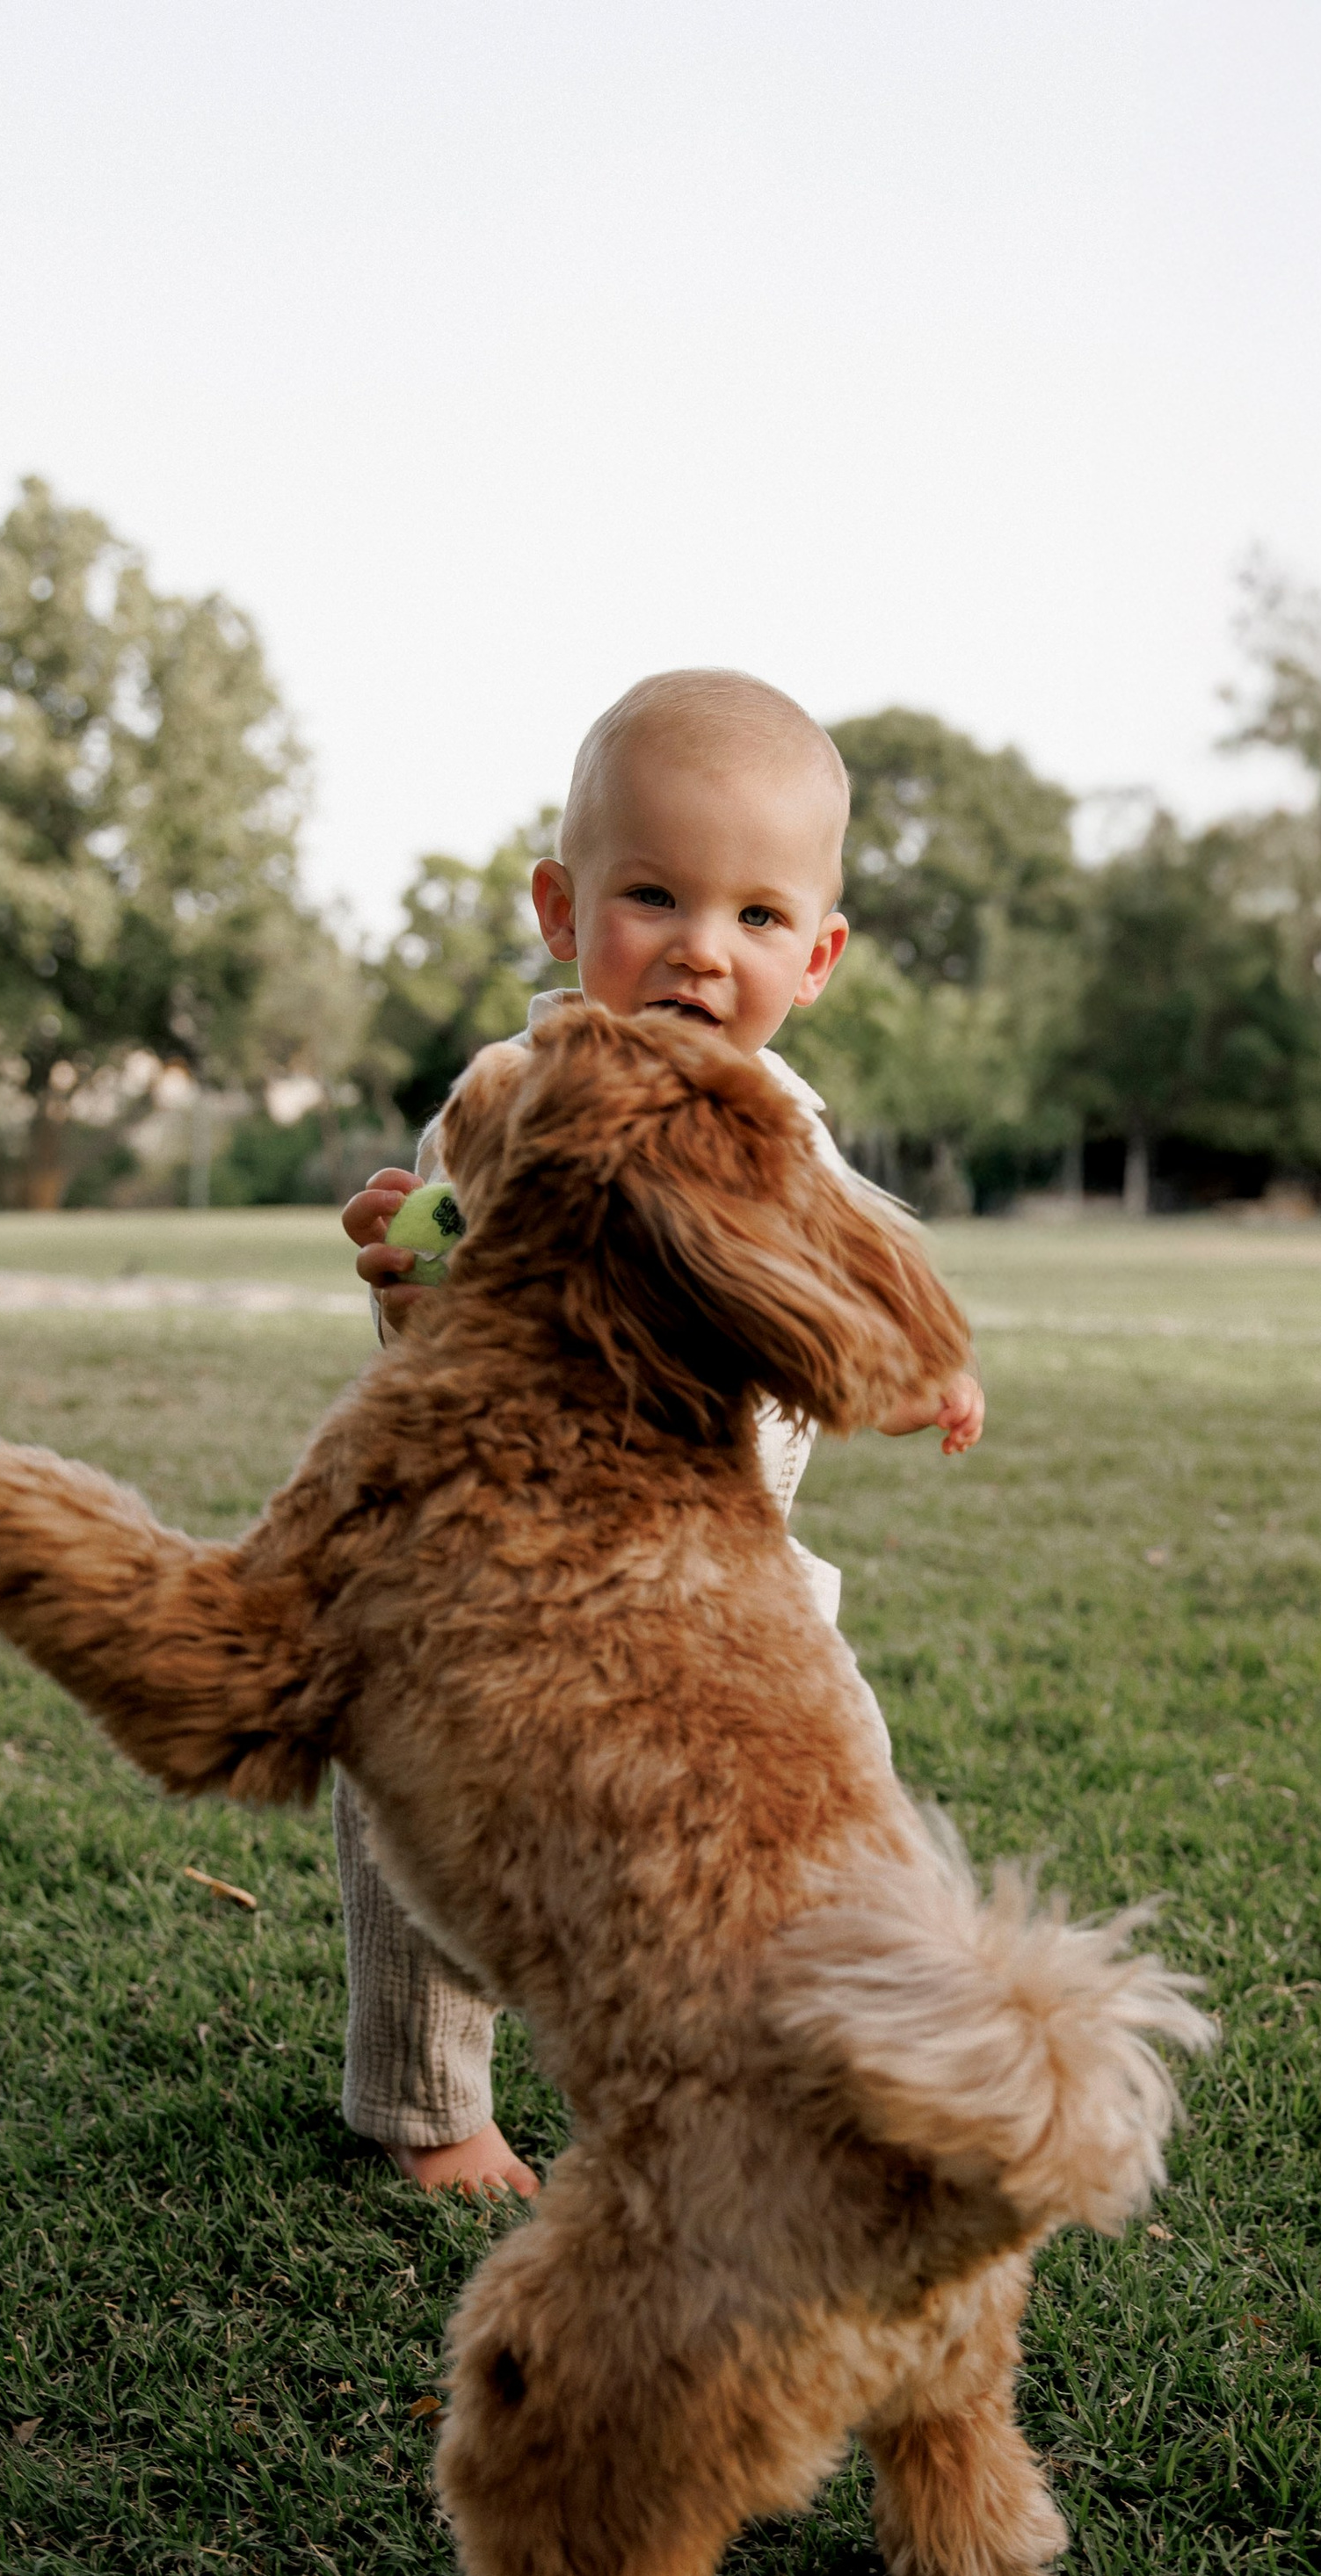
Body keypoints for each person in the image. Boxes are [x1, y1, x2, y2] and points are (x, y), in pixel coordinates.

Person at [335, 669, 986, 2195]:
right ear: (565, 911)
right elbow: (438, 1292)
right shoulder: (517, 1099)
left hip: (729, 1590)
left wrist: (930, 1356)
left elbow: (858, 1256)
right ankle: (425, 2106)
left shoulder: (788, 1124)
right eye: (655, 897)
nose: (703, 949)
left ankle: (825, 2056)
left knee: (839, 1786)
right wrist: (407, 1260)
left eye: (758, 918)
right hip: (513, 1578)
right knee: (426, 1818)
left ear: (816, 955)